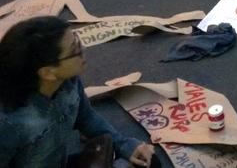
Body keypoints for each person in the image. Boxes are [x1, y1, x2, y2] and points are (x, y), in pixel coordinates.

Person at [0, 16, 156, 167]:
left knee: (147, 160)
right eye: (75, 50)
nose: (84, 49)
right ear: (48, 72)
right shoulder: (10, 122)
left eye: (78, 41)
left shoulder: (68, 82)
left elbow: (86, 118)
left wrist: (124, 145)